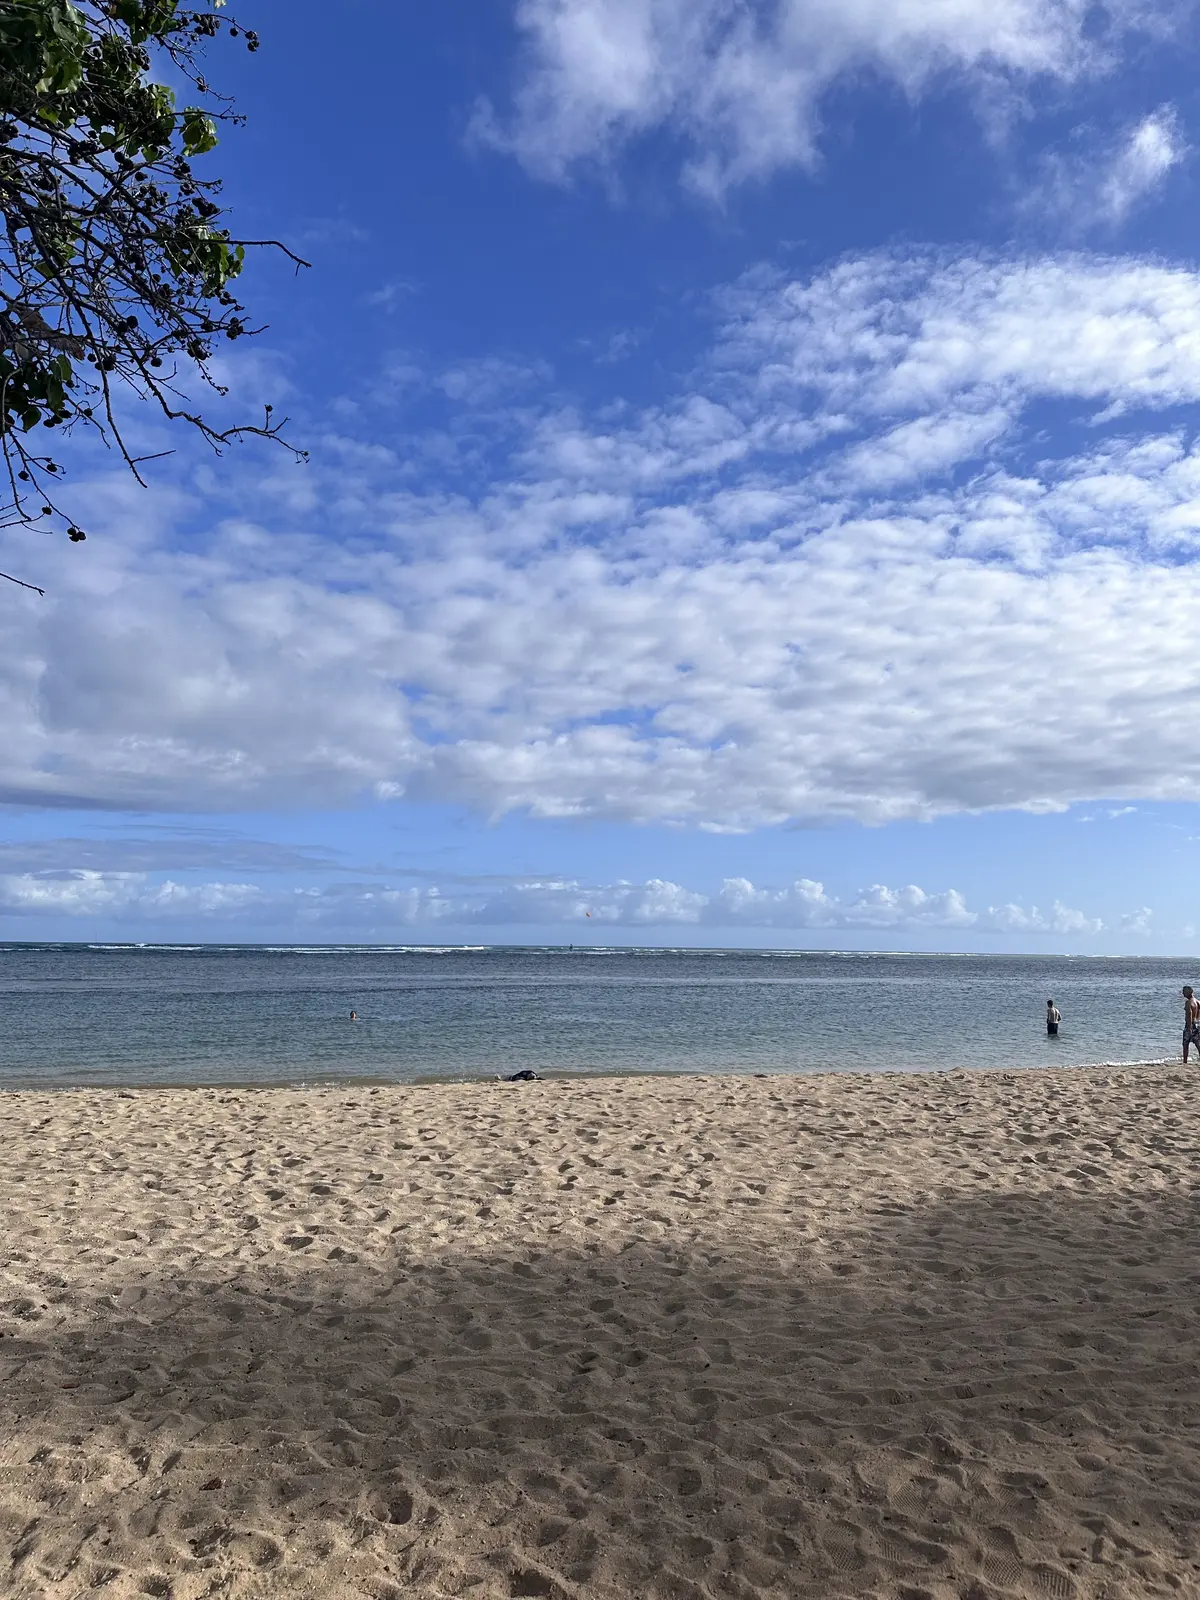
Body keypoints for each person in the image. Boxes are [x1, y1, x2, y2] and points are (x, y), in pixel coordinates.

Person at [1183, 987, 1200, 1062]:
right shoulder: (1198, 1002)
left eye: (1184, 992)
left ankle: (1185, 1061)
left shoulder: (1188, 1002)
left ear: (1189, 992)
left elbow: (1189, 1014)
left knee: (1185, 1043)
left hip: (1190, 1024)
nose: (1183, 993)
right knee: (1198, 1044)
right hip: (1197, 1024)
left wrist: (1189, 1027)